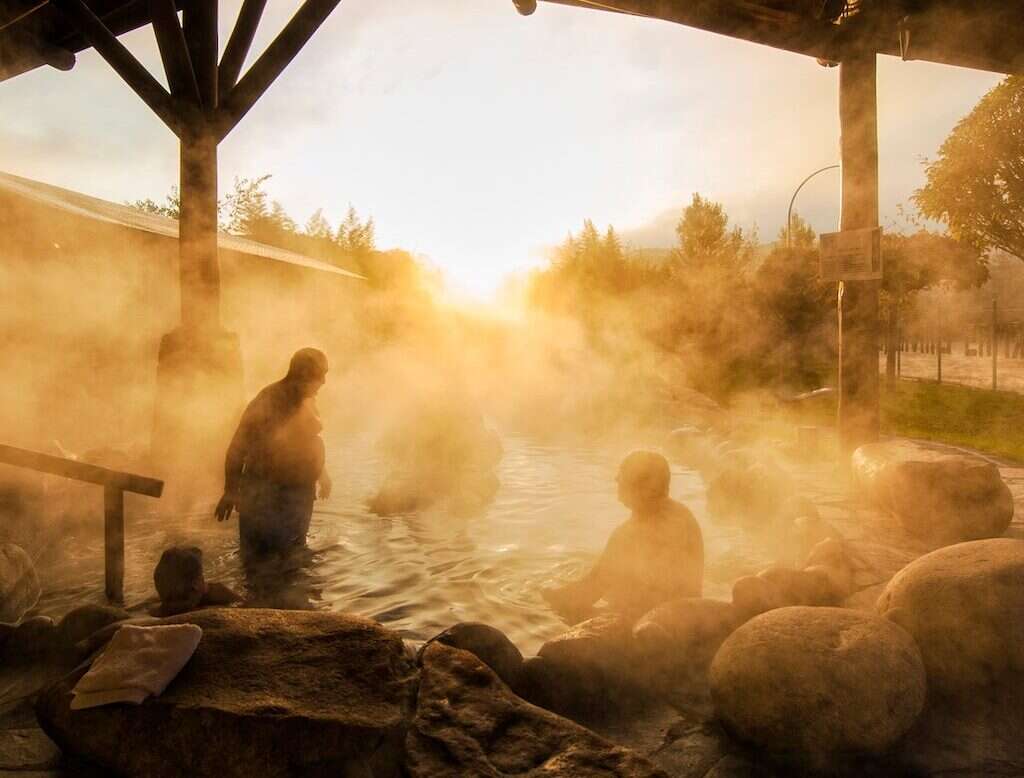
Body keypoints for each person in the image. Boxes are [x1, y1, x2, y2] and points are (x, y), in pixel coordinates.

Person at [542, 450, 704, 622]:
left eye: (623, 473)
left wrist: (546, 597)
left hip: (648, 625)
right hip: (688, 618)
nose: (616, 479)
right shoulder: (684, 515)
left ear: (645, 488)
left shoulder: (630, 534)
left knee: (566, 616)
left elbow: (589, 591)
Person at [214, 348, 332, 554]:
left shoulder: (308, 402)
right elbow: (237, 447)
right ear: (303, 375)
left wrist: (323, 474)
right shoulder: (268, 401)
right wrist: (231, 490)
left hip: (298, 496)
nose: (323, 381)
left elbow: (308, 443)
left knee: (295, 560)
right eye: (320, 375)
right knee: (258, 562)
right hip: (264, 497)